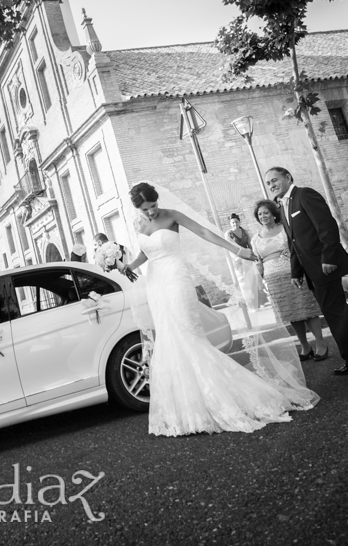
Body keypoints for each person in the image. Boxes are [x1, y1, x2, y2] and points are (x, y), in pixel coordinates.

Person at [120, 182, 319, 436]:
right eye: (146, 210)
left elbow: (204, 233)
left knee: (188, 334)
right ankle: (189, 408)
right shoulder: (139, 225)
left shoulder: (172, 216)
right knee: (170, 338)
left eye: (154, 206)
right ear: (138, 209)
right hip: (156, 283)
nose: (151, 213)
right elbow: (145, 253)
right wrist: (128, 265)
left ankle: (218, 399)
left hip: (177, 278)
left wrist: (237, 249)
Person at [265, 167, 348, 386]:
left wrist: (329, 257)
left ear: (288, 178)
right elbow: (294, 243)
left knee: (339, 316)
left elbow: (327, 227)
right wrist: (296, 272)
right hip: (312, 272)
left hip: (326, 266)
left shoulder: (305, 195)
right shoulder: (283, 207)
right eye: (268, 183)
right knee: (332, 317)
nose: (272, 185)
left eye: (275, 180)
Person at [251, 199, 329, 361]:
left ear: (273, 214)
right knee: (291, 313)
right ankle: (305, 346)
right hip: (273, 279)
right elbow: (258, 262)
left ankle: (320, 344)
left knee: (307, 308)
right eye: (259, 214)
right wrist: (261, 278)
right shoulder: (255, 239)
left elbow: (298, 246)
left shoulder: (286, 229)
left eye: (266, 212)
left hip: (294, 273)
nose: (263, 216)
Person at [226, 213, 268, 309]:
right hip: (238, 260)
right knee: (245, 282)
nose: (235, 224)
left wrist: (253, 256)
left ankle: (260, 302)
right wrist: (237, 258)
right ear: (230, 223)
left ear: (239, 222)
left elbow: (250, 244)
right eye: (232, 222)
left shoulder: (244, 231)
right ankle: (250, 305)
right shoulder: (228, 234)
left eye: (236, 222)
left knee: (254, 280)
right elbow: (229, 247)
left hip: (248, 258)